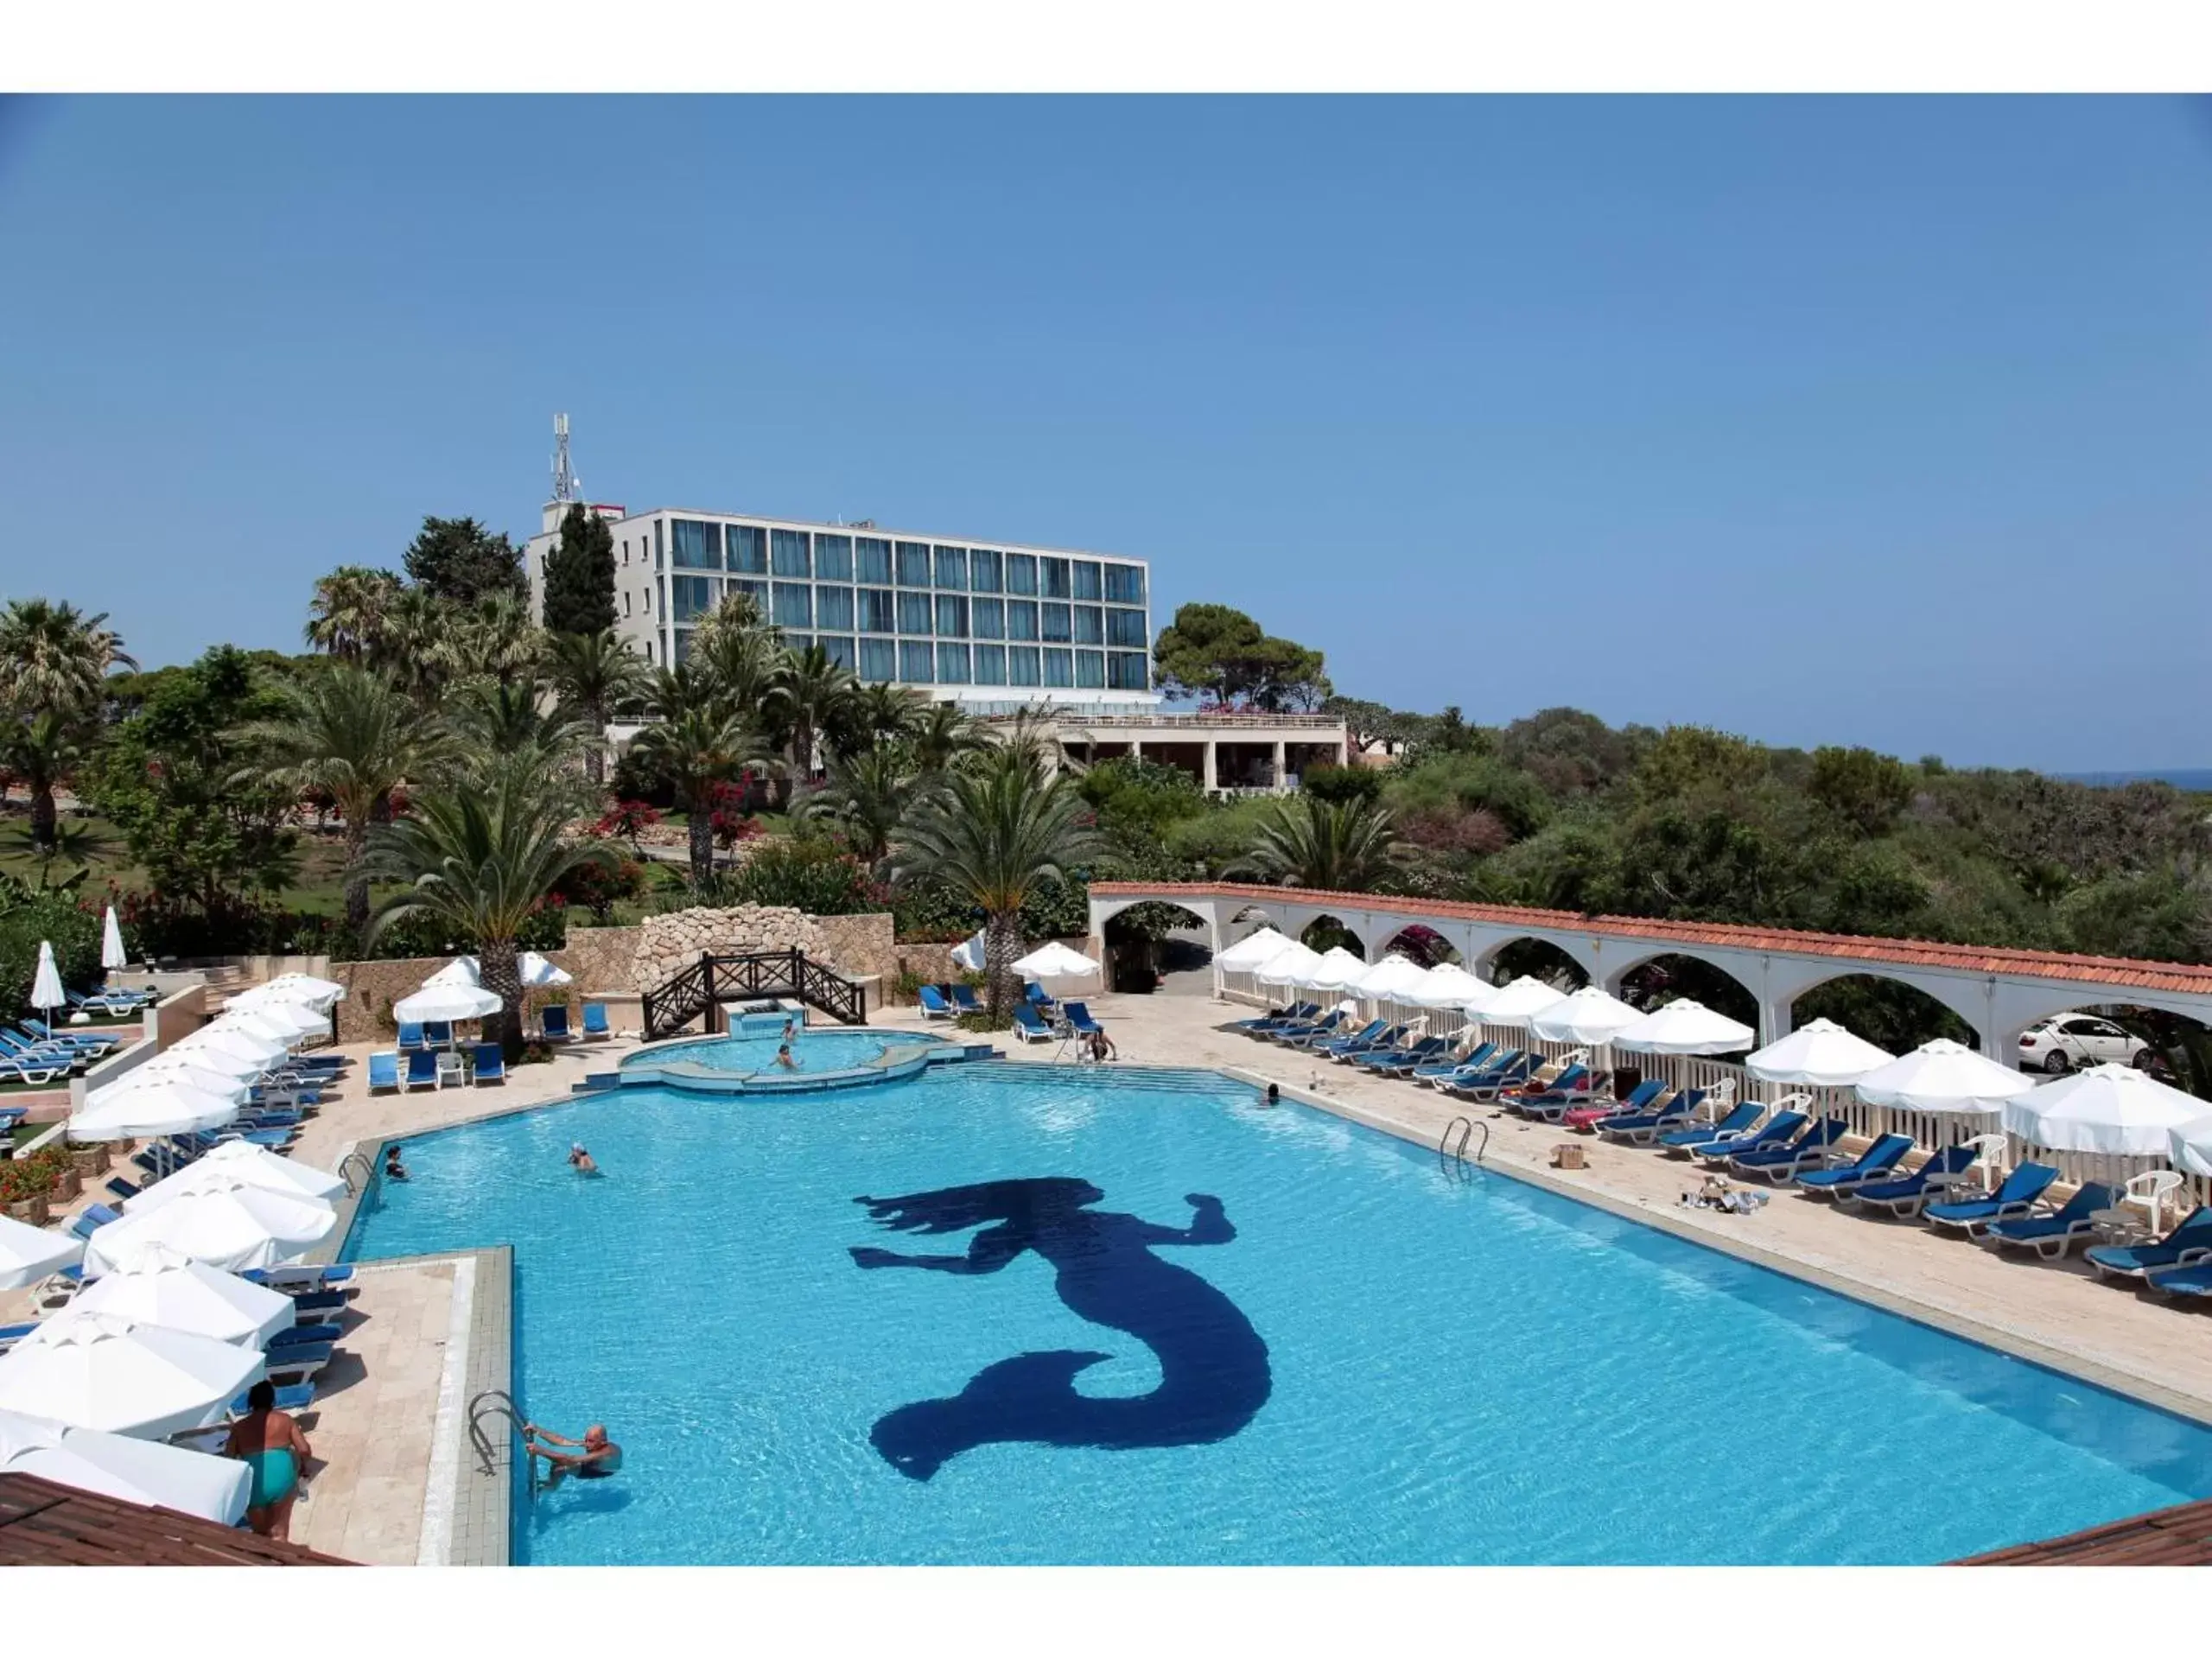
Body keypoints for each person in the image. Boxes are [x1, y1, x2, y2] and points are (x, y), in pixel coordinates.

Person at [225, 1378, 312, 1540]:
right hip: (281, 1478)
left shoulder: (238, 1428)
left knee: (260, 1536)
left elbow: (228, 1460)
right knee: (280, 1533)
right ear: (272, 1399)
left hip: (254, 1482)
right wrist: (303, 1468)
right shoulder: (285, 1420)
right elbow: (304, 1450)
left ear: (251, 1401)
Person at [524, 1421, 621, 1490]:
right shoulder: (594, 1443)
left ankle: (549, 1489)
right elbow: (563, 1442)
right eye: (586, 1440)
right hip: (594, 1463)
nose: (586, 1444)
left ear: (603, 1442)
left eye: (590, 1441)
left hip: (602, 1470)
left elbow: (571, 1460)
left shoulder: (606, 1452)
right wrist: (538, 1430)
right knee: (557, 1462)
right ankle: (550, 1483)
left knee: (560, 1467)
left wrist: (540, 1451)